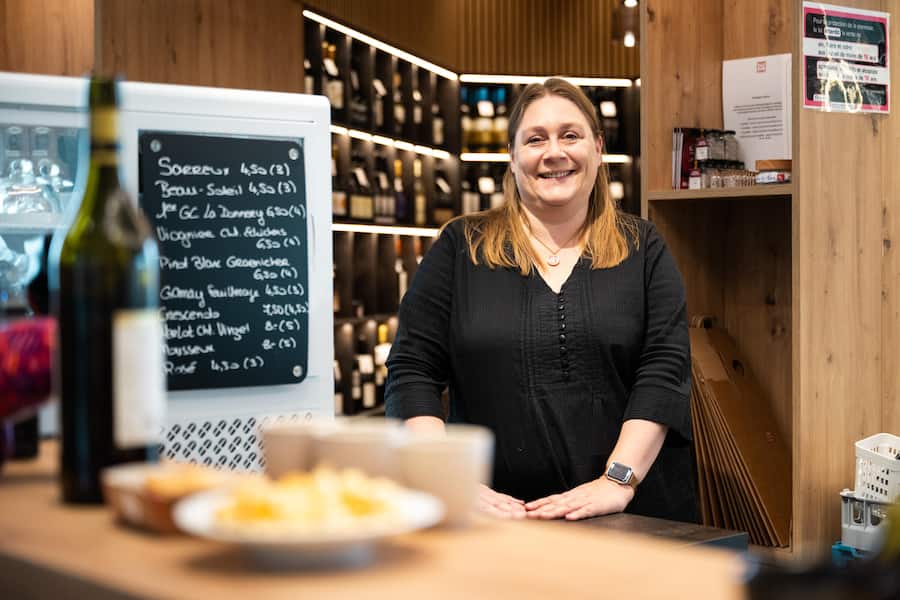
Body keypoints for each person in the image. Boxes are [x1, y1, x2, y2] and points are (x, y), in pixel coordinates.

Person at [385, 78, 697, 523]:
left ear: (598, 147)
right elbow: (411, 370)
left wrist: (617, 481)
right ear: (512, 157)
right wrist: (446, 476)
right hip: (494, 521)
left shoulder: (642, 247)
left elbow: (664, 370)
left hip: (632, 516)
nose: (554, 152)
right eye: (535, 139)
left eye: (570, 135)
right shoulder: (461, 246)